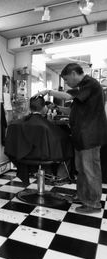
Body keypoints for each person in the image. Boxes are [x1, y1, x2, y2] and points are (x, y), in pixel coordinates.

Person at [35, 63, 107, 213]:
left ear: (74, 73)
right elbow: (71, 111)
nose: (66, 83)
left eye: (67, 80)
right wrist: (56, 108)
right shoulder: (83, 92)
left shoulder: (90, 84)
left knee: (91, 170)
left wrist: (48, 91)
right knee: (81, 170)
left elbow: (68, 95)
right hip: (81, 136)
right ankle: (82, 196)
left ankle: (93, 204)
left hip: (90, 136)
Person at [5, 95, 73, 185]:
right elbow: (61, 141)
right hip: (45, 156)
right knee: (68, 147)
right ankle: (60, 177)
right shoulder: (44, 126)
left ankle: (45, 173)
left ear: (30, 107)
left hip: (23, 156)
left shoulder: (16, 124)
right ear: (44, 108)